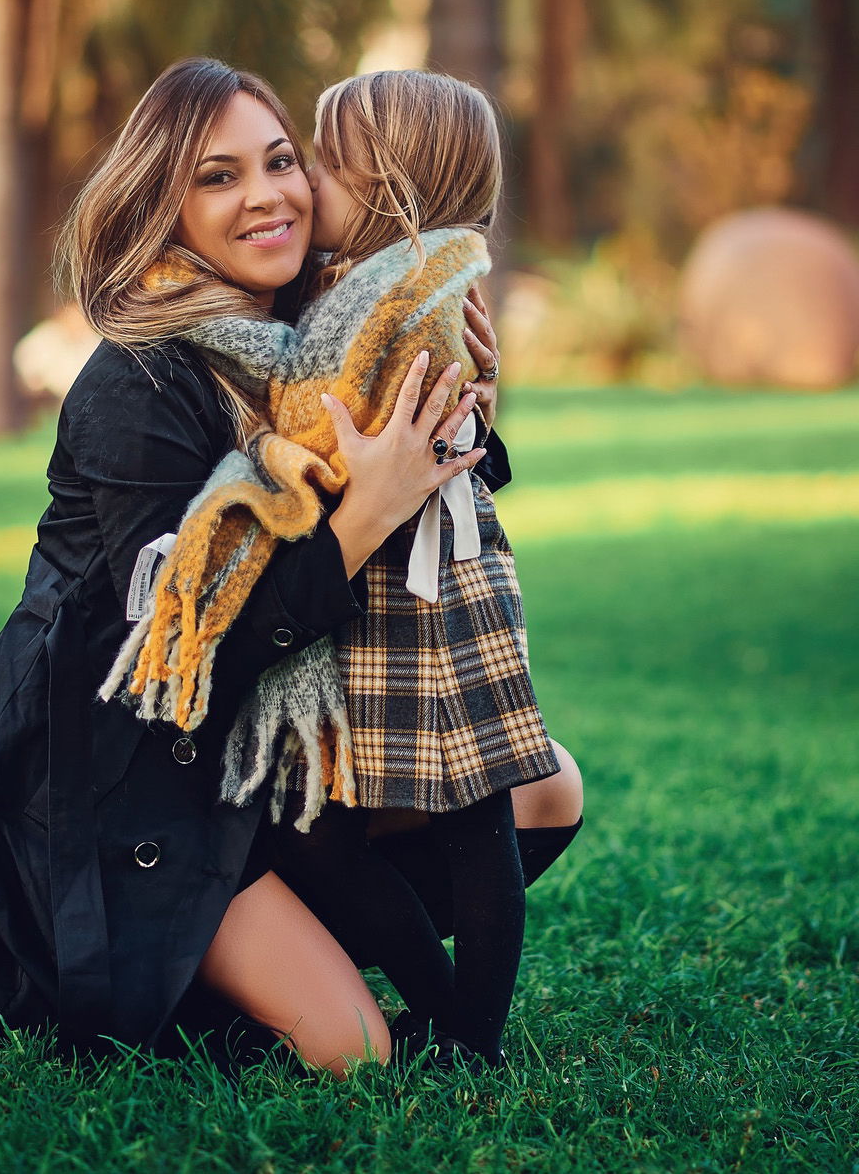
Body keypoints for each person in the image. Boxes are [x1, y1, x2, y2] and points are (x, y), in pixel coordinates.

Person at [0, 58, 487, 1076]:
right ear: (163, 205)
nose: (268, 193)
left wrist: (452, 389)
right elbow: (172, 674)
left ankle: (247, 941)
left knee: (540, 791)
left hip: (249, 749)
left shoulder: (308, 332)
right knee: (353, 1052)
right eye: (217, 177)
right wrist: (361, 514)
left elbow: (431, 493)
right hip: (116, 764)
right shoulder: (134, 381)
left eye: (280, 160)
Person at [258, 70, 584, 1068]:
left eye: (321, 159)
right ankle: (453, 1018)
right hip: (397, 572)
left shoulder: (389, 295)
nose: (303, 179)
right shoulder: (405, 283)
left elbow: (323, 428)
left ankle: (466, 1032)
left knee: (461, 808)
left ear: (382, 183)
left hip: (411, 587)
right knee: (351, 816)